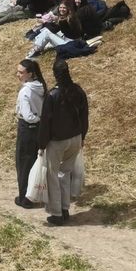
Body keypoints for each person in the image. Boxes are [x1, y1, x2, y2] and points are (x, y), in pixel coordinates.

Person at [36, 59, 88, 226]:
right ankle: (65, 208)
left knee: (52, 176)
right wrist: (82, 137)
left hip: (57, 141)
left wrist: (41, 144)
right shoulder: (78, 91)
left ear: (54, 74)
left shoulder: (52, 95)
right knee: (65, 173)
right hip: (75, 138)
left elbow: (45, 122)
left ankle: (57, 213)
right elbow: (84, 116)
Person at [13, 58, 45, 209]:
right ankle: (35, 194)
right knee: (34, 163)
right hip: (38, 130)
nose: (18, 75)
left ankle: (25, 198)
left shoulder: (25, 91)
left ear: (30, 74)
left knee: (23, 164)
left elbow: (28, 116)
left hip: (27, 129)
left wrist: (36, 119)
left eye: (21, 72)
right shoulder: (41, 86)